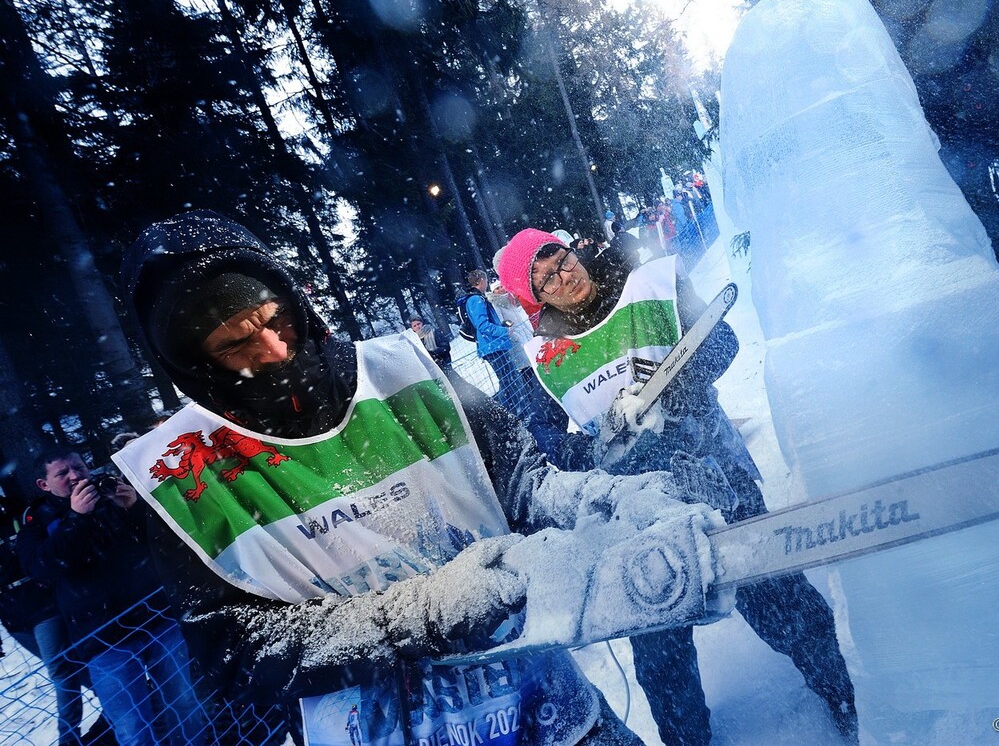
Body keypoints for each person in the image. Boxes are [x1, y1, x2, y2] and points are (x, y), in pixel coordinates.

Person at [113, 211, 724, 746]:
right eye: (235, 344)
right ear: (193, 364)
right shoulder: (182, 473)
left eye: (274, 318)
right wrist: (433, 610)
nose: (272, 347)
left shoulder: (402, 372)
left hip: (547, 709)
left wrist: (610, 497)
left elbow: (522, 482)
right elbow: (237, 652)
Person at [496, 229, 859, 746]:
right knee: (660, 650)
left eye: (561, 259)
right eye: (545, 278)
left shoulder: (649, 282)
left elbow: (723, 344)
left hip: (714, 474)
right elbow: (549, 441)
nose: (563, 276)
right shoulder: (543, 358)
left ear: (572, 250)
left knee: (777, 599)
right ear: (535, 297)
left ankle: (842, 692)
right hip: (638, 512)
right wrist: (597, 448)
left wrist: (670, 394)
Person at [18, 448, 208, 746]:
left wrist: (135, 508)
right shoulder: (37, 520)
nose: (75, 476)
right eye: (62, 473)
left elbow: (162, 541)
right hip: (102, 637)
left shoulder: (109, 494)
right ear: (44, 484)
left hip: (155, 618)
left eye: (78, 467)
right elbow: (42, 568)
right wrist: (75, 518)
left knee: (185, 704)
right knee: (132, 725)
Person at [1, 480, 88, 746]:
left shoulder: (20, 515)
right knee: (71, 667)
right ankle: (115, 699)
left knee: (60, 670)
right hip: (13, 617)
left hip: (41, 607)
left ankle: (69, 737)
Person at [457, 268, 534, 421]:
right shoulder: (476, 299)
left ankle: (512, 413)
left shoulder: (475, 298)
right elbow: (483, 325)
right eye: (485, 280)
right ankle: (512, 413)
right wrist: (504, 331)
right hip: (493, 346)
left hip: (493, 346)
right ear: (481, 281)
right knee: (510, 380)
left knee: (508, 379)